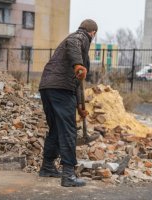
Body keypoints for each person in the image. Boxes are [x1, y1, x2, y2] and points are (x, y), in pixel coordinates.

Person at [38, 19, 98, 187]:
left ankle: (47, 166)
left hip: (47, 87)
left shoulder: (75, 45)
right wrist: (79, 64)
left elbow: (78, 83)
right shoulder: (81, 37)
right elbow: (73, 42)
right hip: (61, 89)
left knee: (56, 129)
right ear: (92, 33)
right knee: (68, 131)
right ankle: (68, 175)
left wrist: (80, 106)